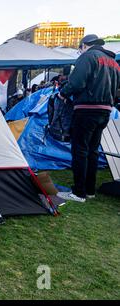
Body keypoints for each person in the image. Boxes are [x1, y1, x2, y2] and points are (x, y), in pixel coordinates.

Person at [57, 35, 120, 203]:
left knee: (80, 150)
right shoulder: (113, 62)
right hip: (105, 111)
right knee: (92, 151)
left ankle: (79, 193)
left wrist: (63, 93)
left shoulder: (88, 57)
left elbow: (76, 82)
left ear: (84, 45)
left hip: (86, 109)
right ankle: (90, 190)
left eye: (80, 48)